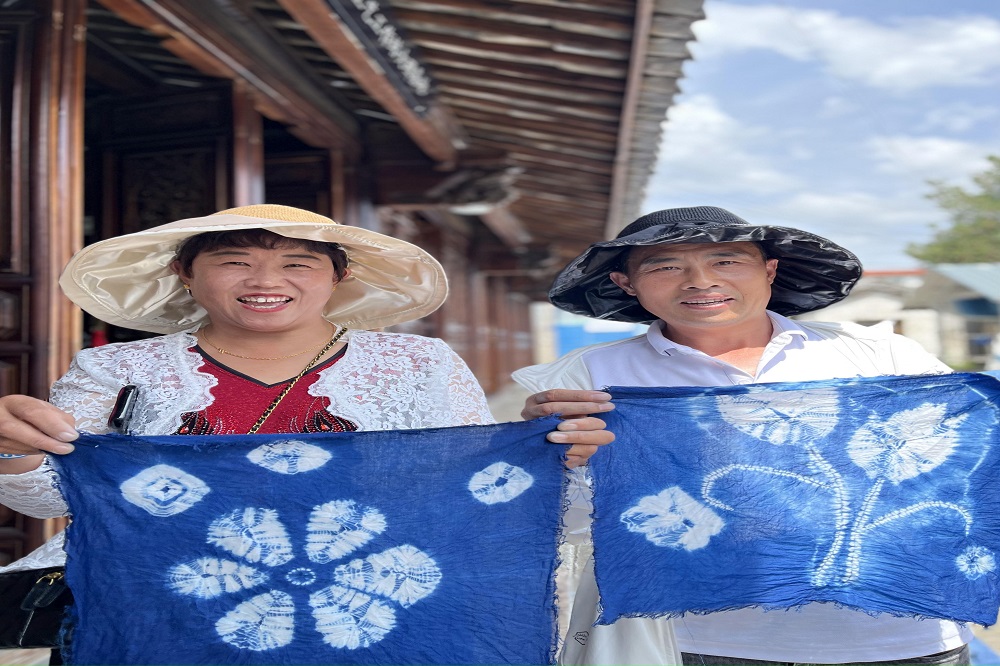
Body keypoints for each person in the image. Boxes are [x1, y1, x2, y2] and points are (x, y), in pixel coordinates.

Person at [0, 203, 609, 584]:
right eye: (233, 261)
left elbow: (466, 486)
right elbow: (52, 499)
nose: (265, 281)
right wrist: (15, 450)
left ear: (339, 276)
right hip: (151, 589)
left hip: (364, 591)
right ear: (184, 273)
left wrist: (546, 453)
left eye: (299, 263)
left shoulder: (418, 363)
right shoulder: (116, 367)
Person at [516, 205, 970, 666]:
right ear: (626, 283)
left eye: (726, 261)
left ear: (769, 270)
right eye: (666, 267)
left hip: (905, 636)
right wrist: (548, 458)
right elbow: (558, 522)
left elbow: (967, 468)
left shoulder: (881, 357)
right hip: (703, 644)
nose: (700, 281)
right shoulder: (586, 379)